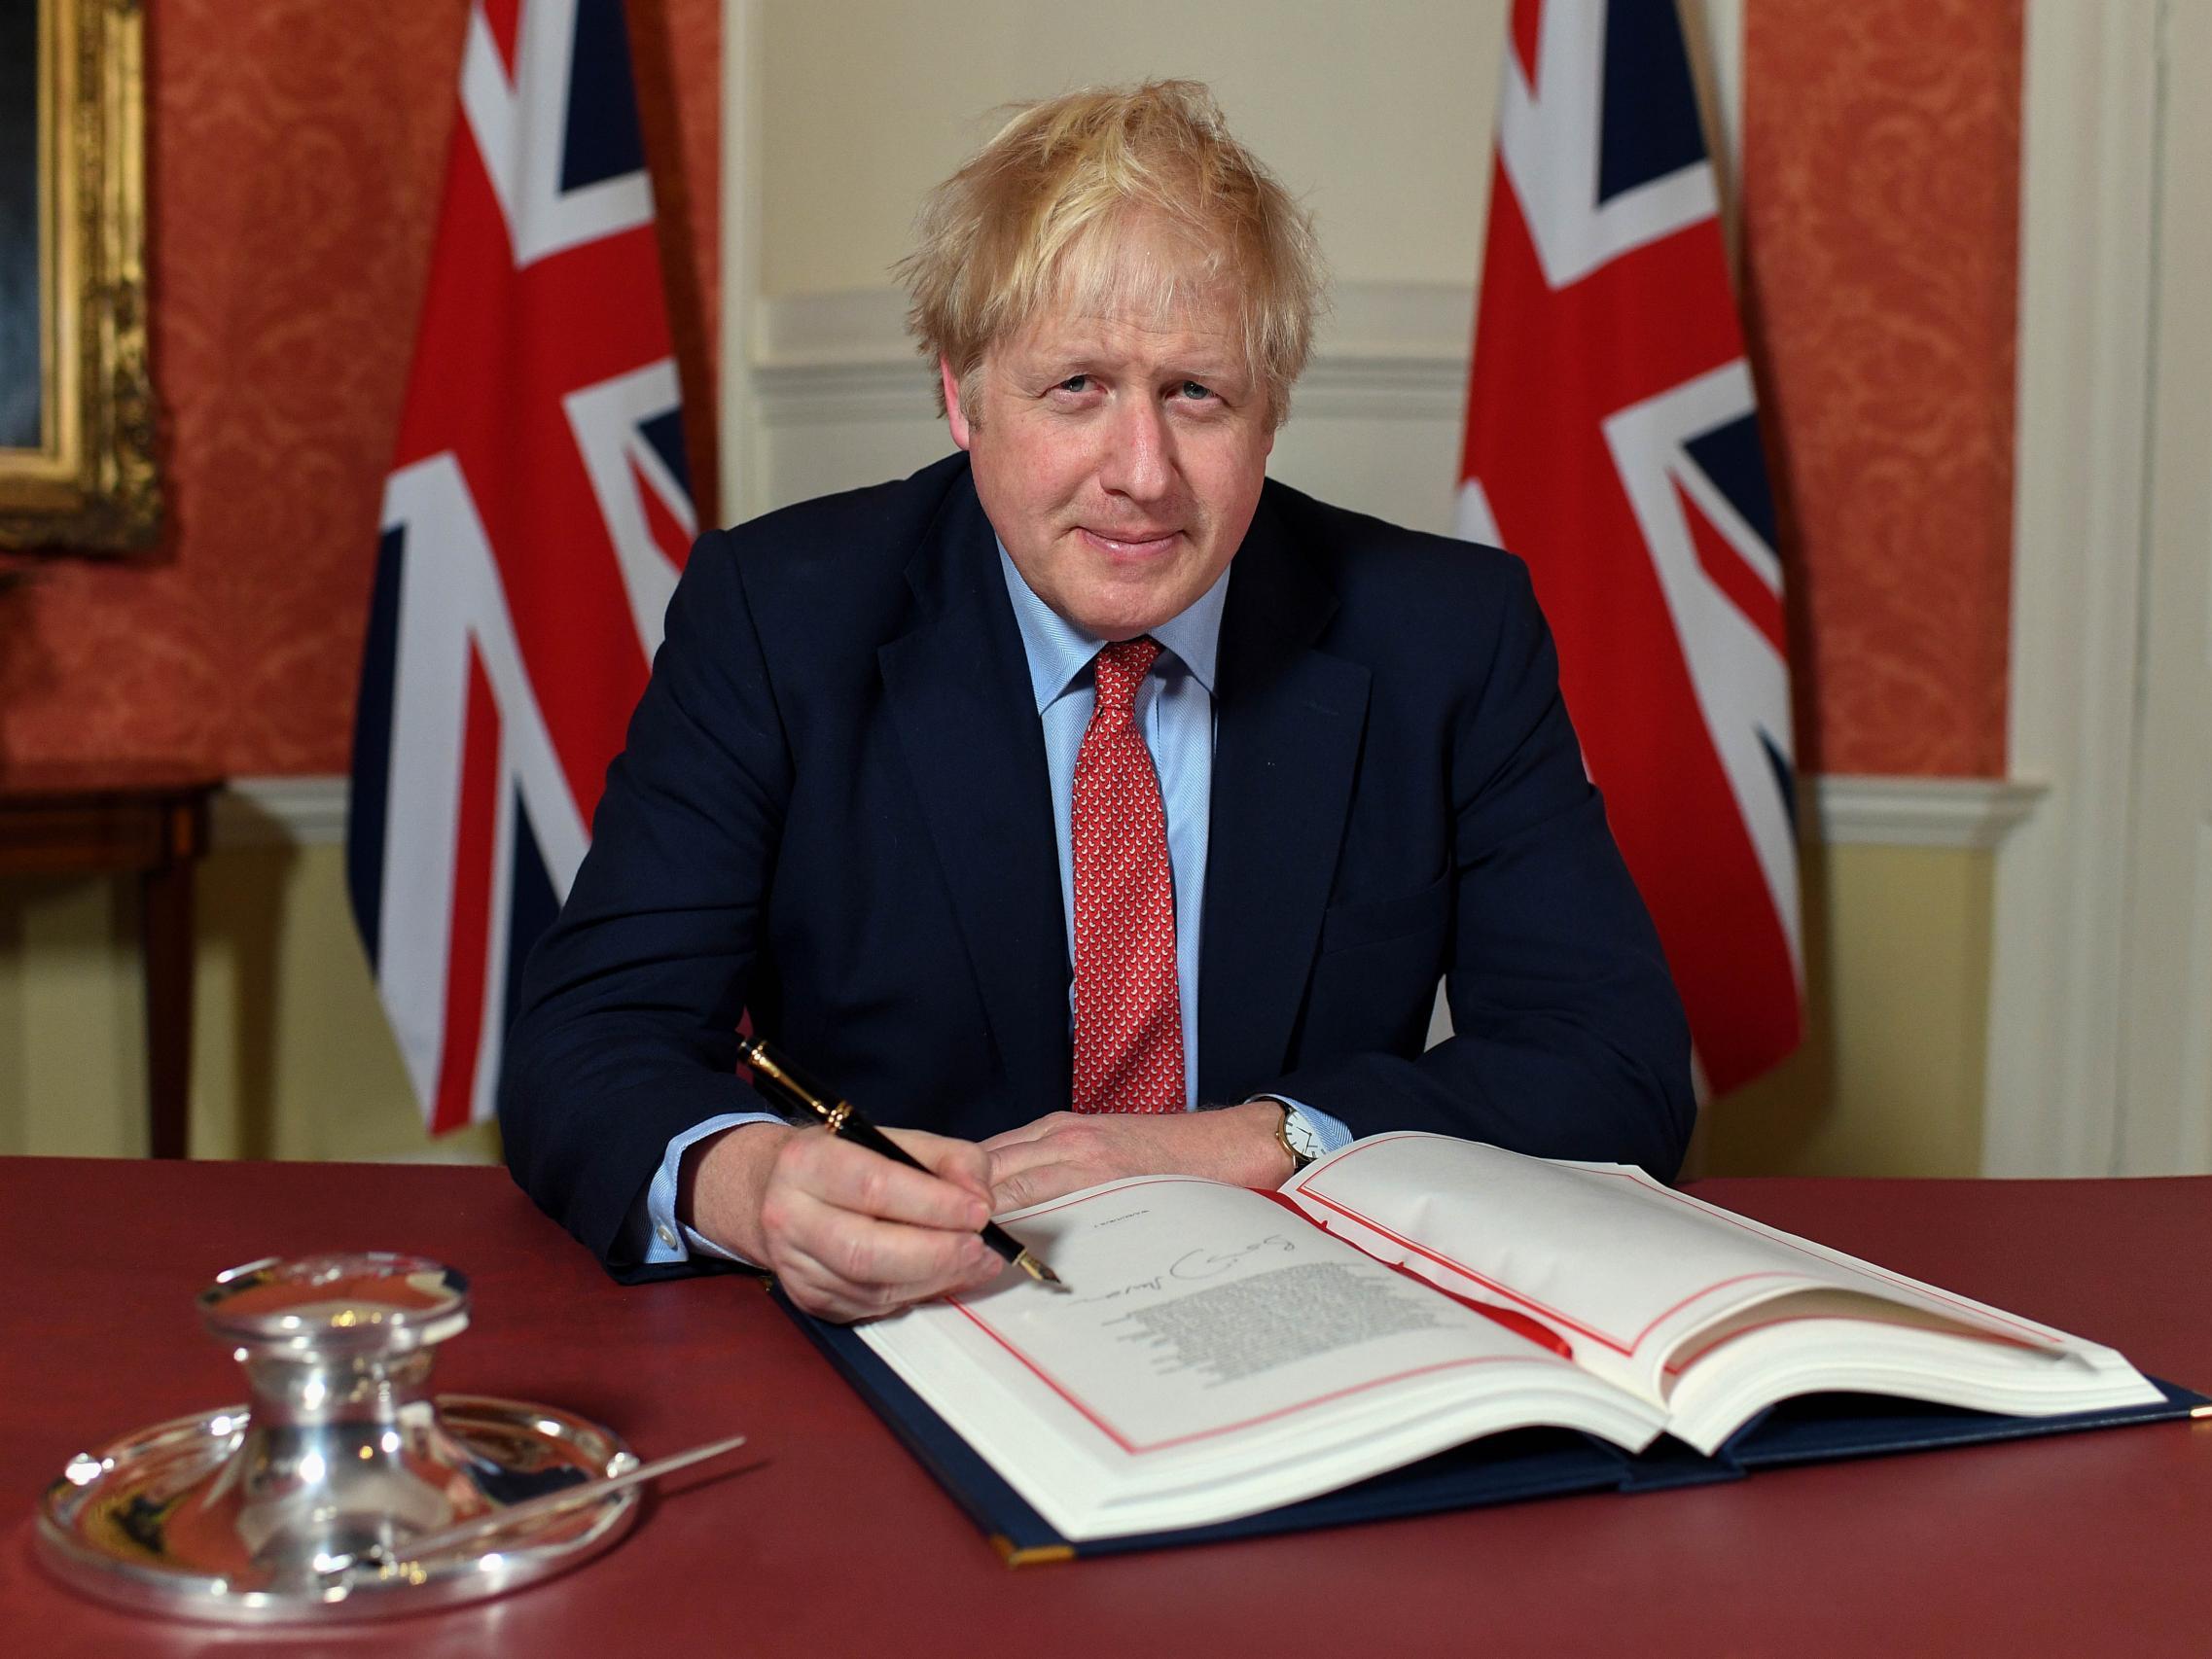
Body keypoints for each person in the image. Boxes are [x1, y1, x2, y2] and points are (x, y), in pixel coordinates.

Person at [499, 81, 1693, 1323]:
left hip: (1303, 1328)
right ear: (961, 396)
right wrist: (755, 1185)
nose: (1141, 474)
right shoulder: (779, 617)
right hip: (914, 1330)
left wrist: (1247, 1144)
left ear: (1271, 406)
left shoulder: (1447, 634)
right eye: (1075, 386)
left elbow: (1613, 1065)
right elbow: (585, 1040)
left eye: (1197, 394)